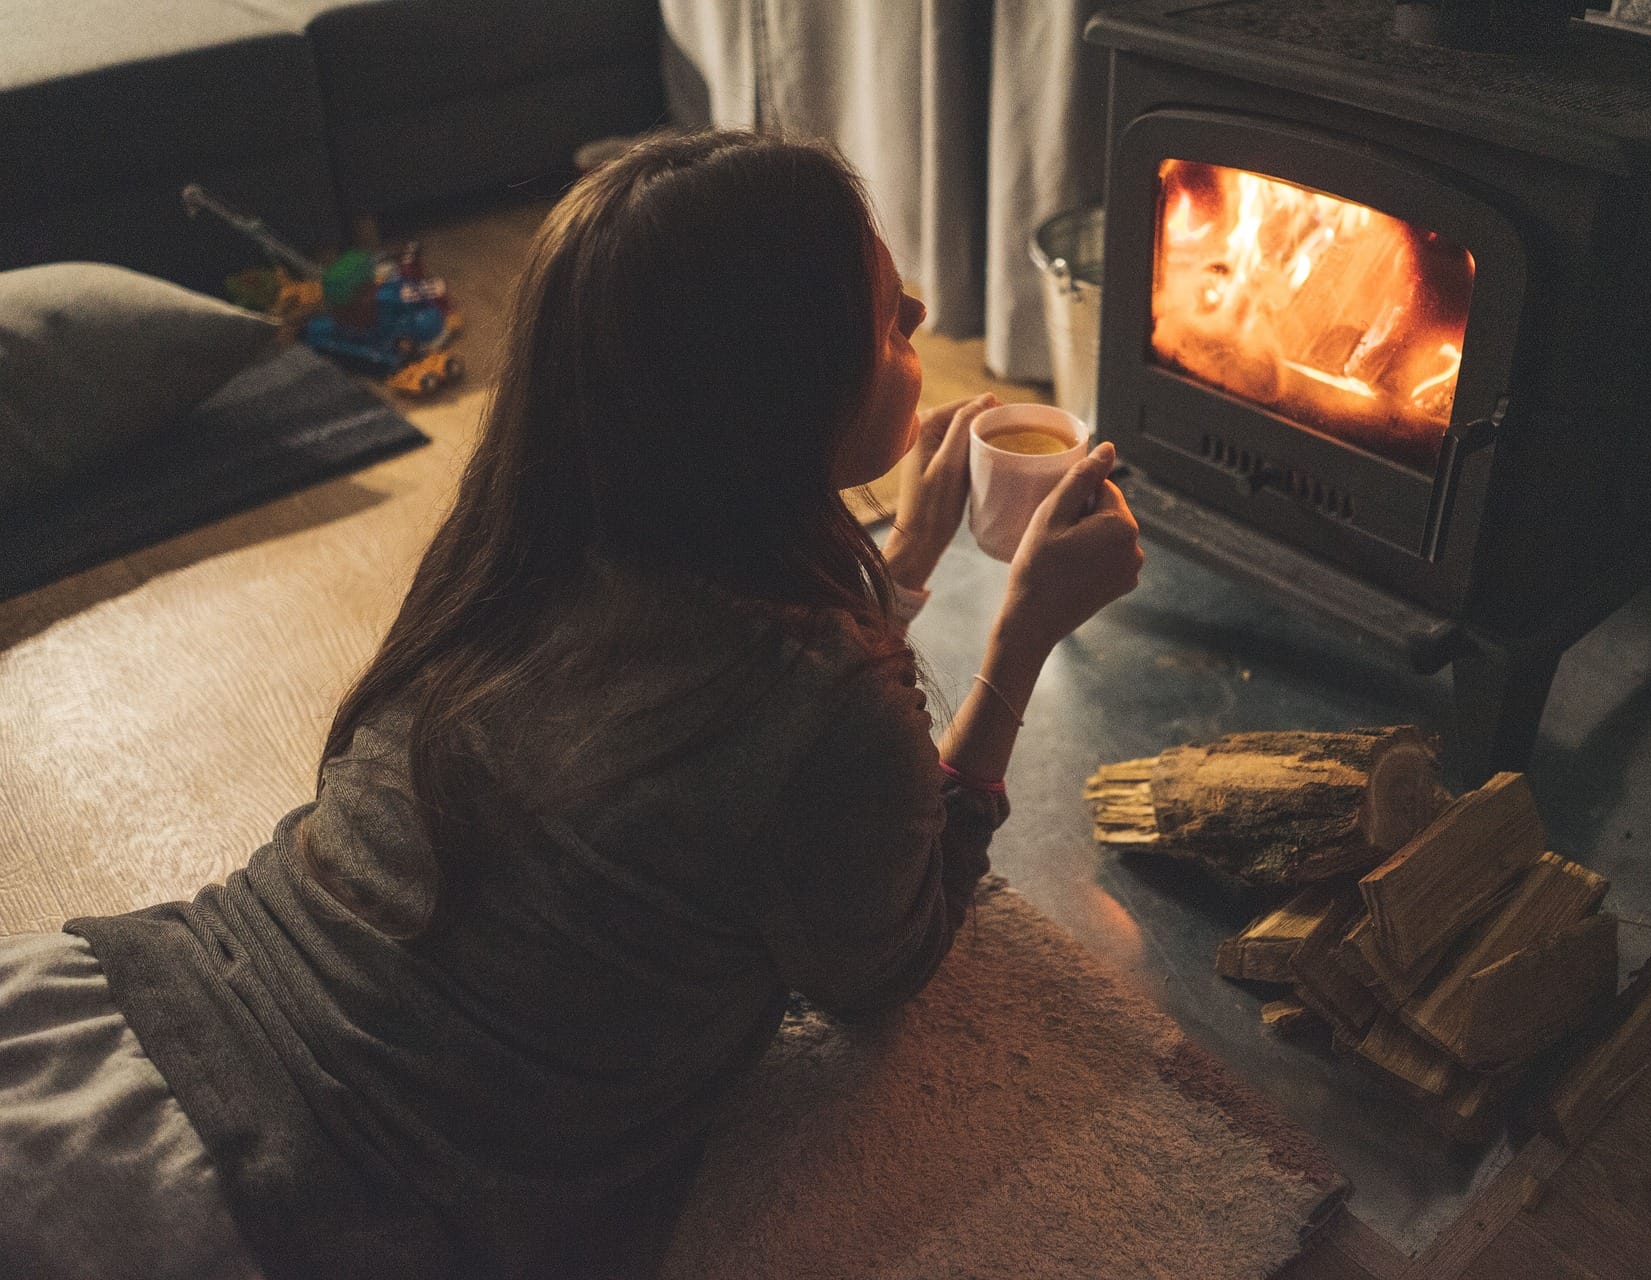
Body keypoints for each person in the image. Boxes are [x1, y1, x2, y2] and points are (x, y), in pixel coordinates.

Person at [0, 129, 1142, 1278]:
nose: (924, 310)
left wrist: (895, 571)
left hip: (118, 1013)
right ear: (776, 387)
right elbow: (882, 968)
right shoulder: (826, 713)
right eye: (890, 316)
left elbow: (716, 729)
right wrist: (1020, 640)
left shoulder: (522, 542)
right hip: (270, 1197)